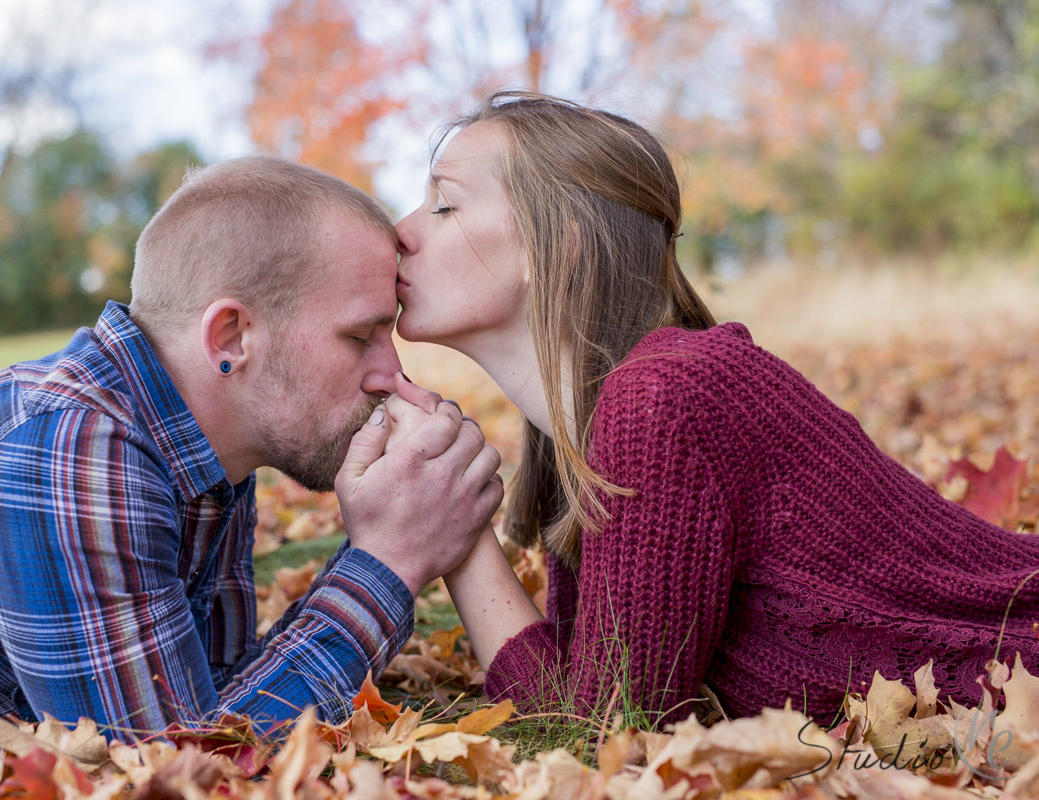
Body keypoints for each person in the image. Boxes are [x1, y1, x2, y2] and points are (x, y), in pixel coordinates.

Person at [0, 156, 503, 780]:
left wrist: (382, 553)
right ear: (231, 338)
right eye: (361, 337)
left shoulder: (200, 451)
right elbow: (168, 777)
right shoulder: (68, 452)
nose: (392, 375)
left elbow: (213, 703)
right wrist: (387, 562)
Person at [389, 91, 1039, 728]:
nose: (402, 232)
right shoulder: (595, 424)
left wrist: (460, 534)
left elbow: (606, 732)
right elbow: (590, 698)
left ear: (557, 244)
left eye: (444, 205)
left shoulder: (660, 400)